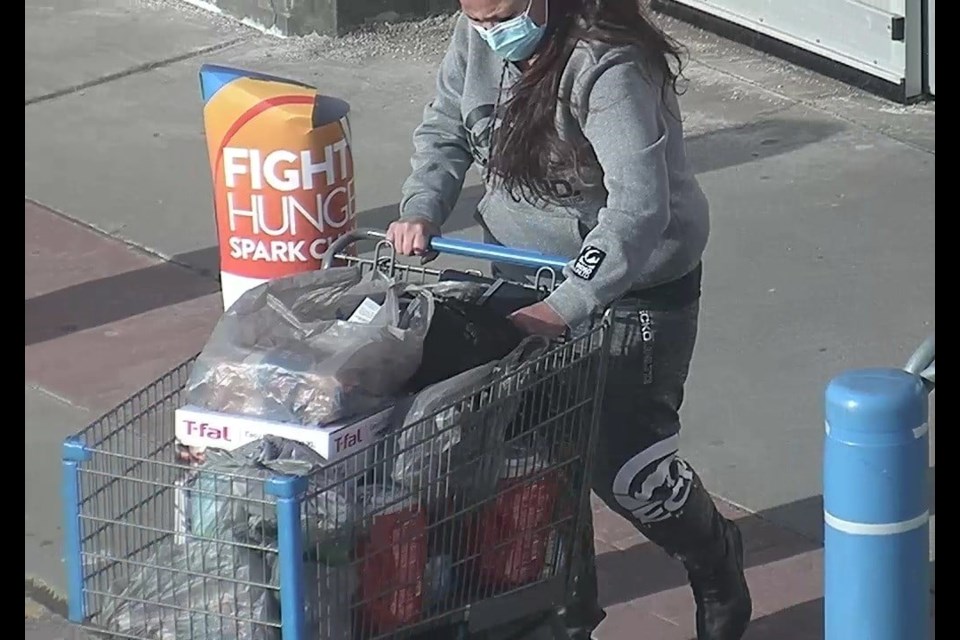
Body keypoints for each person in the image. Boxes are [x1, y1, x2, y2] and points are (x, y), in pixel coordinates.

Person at [386, 1, 752, 638]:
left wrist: (568, 305)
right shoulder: (478, 33)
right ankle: (568, 614)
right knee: (536, 460)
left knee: (628, 470)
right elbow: (447, 126)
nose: (488, 32)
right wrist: (423, 207)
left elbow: (638, 208)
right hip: (520, 274)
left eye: (501, 16)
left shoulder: (609, 64)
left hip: (632, 287)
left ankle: (714, 556)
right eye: (474, 17)